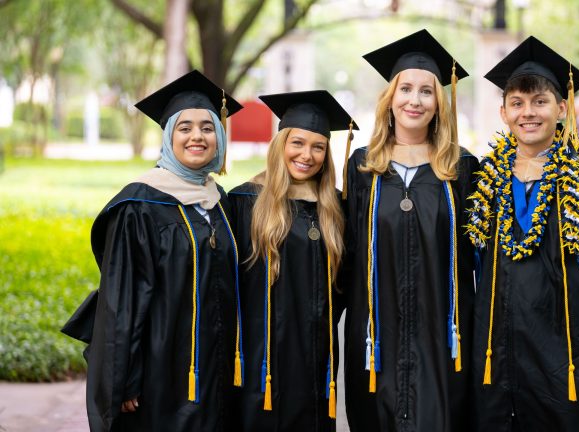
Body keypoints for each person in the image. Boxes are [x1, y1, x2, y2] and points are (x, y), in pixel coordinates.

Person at [467, 36, 579, 431]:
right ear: (504, 112)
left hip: (568, 364)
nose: (529, 113)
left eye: (540, 101)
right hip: (500, 362)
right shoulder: (486, 183)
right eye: (518, 103)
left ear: (562, 108)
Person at [61, 70, 244, 432]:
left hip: (215, 366)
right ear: (168, 136)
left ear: (220, 137)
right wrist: (126, 376)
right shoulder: (139, 205)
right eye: (185, 127)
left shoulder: (219, 201)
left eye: (208, 128)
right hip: (159, 373)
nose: (198, 136)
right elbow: (122, 300)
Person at [342, 29, 479, 432]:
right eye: (406, 89)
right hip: (376, 333)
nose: (414, 100)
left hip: (442, 332)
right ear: (390, 98)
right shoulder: (363, 167)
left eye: (426, 91)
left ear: (439, 103)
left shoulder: (461, 168)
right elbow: (347, 249)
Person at [228, 90, 357, 431]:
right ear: (281, 143)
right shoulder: (244, 201)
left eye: (318, 147)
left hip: (314, 355)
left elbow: (344, 286)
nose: (307, 155)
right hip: (261, 355)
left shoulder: (334, 209)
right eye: (297, 143)